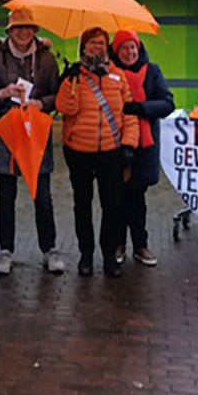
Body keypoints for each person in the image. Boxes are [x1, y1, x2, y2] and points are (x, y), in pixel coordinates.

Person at [0, 7, 64, 275]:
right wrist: (2, 94)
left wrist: (41, 103)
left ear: (35, 31)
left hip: (36, 135)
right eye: (18, 28)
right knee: (6, 197)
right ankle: (5, 251)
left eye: (28, 27)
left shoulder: (47, 60)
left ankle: (49, 250)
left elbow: (57, 96)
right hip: (5, 136)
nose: (23, 32)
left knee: (42, 196)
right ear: (9, 31)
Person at [57, 26, 139, 277]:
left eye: (101, 43)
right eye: (91, 43)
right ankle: (85, 255)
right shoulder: (75, 75)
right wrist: (69, 81)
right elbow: (65, 109)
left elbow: (129, 114)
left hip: (111, 151)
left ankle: (109, 256)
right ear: (83, 47)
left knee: (112, 205)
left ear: (108, 47)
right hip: (79, 150)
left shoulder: (118, 76)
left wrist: (129, 144)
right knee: (82, 203)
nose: (97, 47)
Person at [110, 30, 175, 267]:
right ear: (116, 51)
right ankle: (118, 243)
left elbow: (167, 102)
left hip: (144, 144)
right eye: (124, 48)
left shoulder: (152, 71)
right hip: (116, 142)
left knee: (137, 196)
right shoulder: (110, 73)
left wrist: (140, 108)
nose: (129, 53)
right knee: (116, 196)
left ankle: (140, 244)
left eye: (133, 47)